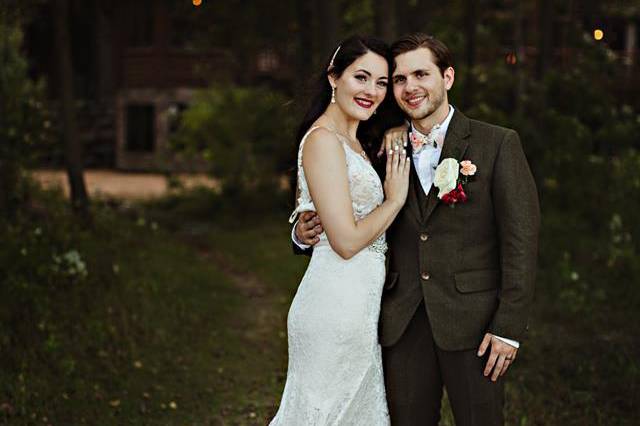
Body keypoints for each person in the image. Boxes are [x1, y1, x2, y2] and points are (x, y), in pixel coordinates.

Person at [294, 33, 540, 426]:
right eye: (399, 79)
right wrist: (302, 231)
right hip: (400, 322)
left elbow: (521, 241)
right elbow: (339, 203)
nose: (410, 87)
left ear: (448, 77)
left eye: (421, 74)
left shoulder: (497, 144)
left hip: (474, 325)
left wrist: (508, 327)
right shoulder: (378, 145)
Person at [270, 35, 410, 425]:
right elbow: (346, 241)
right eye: (361, 77)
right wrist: (393, 201)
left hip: (360, 309)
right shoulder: (322, 141)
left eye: (382, 83)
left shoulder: (359, 139)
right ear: (334, 77)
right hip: (333, 310)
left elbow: (313, 209)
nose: (372, 91)